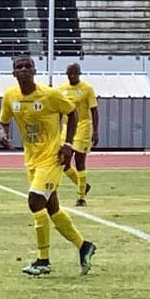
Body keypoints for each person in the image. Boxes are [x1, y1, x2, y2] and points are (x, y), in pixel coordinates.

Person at [0, 55, 96, 276]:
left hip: (52, 158)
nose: (23, 70)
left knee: (35, 201)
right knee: (52, 209)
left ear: (34, 70)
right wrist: (3, 134)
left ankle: (43, 260)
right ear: (13, 72)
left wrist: (68, 144)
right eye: (19, 67)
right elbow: (3, 120)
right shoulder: (9, 96)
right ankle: (84, 246)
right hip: (31, 159)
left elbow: (72, 113)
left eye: (27, 66)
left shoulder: (50, 95)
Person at [60, 63, 99, 206]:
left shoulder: (87, 89)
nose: (71, 76)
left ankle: (81, 197)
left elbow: (94, 110)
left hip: (83, 126)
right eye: (69, 73)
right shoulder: (62, 90)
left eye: (74, 73)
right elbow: (59, 111)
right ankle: (83, 185)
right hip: (67, 127)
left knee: (79, 161)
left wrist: (95, 130)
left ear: (79, 73)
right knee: (63, 161)